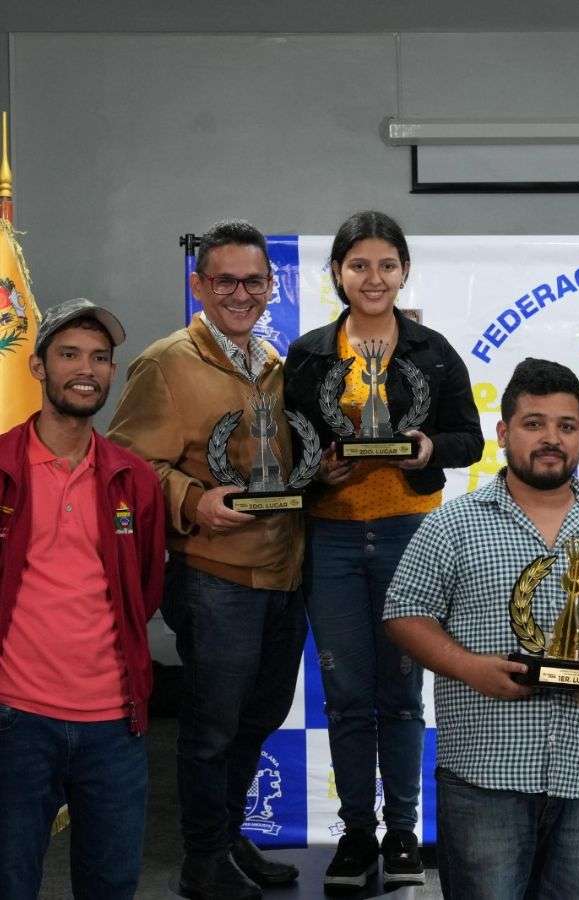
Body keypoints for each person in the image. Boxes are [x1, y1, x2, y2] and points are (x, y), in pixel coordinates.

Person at [383, 359, 579, 900]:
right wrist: (471, 669)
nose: (551, 439)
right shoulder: (453, 522)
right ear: (504, 433)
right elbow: (403, 612)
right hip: (483, 777)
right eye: (534, 424)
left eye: (567, 426)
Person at [283, 210, 483, 889]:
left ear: (404, 272)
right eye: (359, 265)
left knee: (402, 693)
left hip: (411, 536)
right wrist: (317, 474)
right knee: (345, 695)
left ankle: (402, 834)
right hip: (333, 537)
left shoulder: (430, 349)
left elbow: (471, 439)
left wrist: (428, 449)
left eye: (386, 265)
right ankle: (357, 834)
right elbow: (285, 455)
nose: (374, 278)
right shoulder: (309, 355)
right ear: (337, 273)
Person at [108, 221, 307, 900]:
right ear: (199, 286)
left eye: (254, 280)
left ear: (270, 286)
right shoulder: (165, 364)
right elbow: (128, 466)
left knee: (258, 717)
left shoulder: (276, 365)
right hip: (213, 575)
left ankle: (226, 840)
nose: (240, 293)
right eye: (225, 280)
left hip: (283, 573)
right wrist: (193, 500)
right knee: (211, 729)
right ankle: (202, 860)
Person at [0, 300, 164, 900]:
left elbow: (142, 590)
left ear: (113, 372)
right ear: (39, 368)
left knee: (110, 885)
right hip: (15, 720)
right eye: (68, 354)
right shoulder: (1, 466)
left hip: (116, 725)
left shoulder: (133, 478)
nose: (85, 369)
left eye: (99, 357)